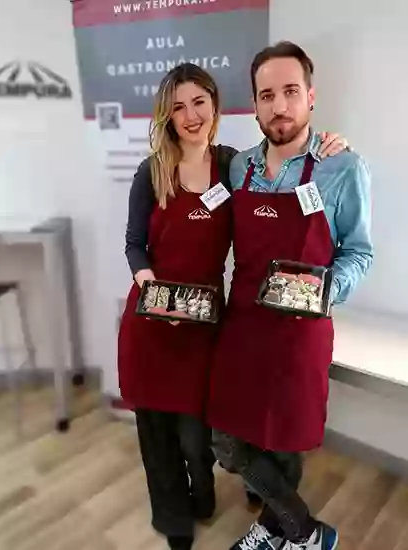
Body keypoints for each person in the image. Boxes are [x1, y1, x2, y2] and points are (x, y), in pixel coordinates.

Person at [117, 62, 349, 550]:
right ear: (167, 115)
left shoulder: (233, 166)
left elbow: (282, 165)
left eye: (199, 102)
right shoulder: (152, 171)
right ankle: (176, 524)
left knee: (199, 436)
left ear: (215, 106)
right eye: (178, 106)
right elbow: (135, 242)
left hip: (205, 325)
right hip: (154, 322)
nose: (190, 114)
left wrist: (330, 147)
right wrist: (146, 278)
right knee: (157, 438)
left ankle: (204, 501)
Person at [207, 41, 373, 550]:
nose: (279, 106)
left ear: (310, 96)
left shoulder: (341, 167)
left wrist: (324, 290)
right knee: (228, 442)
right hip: (243, 326)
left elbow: (359, 252)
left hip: (300, 330)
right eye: (266, 95)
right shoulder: (239, 169)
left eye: (290, 92)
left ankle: (275, 528)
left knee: (284, 441)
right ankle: (305, 532)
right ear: (254, 104)